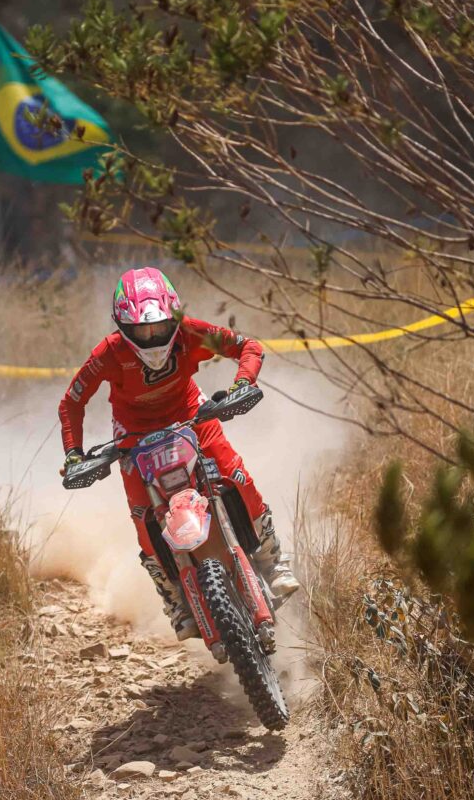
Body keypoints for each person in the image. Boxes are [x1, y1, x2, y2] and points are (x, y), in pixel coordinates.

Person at [58, 267, 299, 640]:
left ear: (174, 317)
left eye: (159, 327)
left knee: (235, 475)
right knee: (143, 516)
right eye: (142, 330)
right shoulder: (108, 352)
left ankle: (272, 559)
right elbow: (72, 402)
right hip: (133, 433)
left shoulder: (191, 332)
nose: (152, 337)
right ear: (122, 326)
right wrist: (74, 454)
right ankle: (172, 595)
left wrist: (242, 384)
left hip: (191, 412)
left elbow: (247, 346)